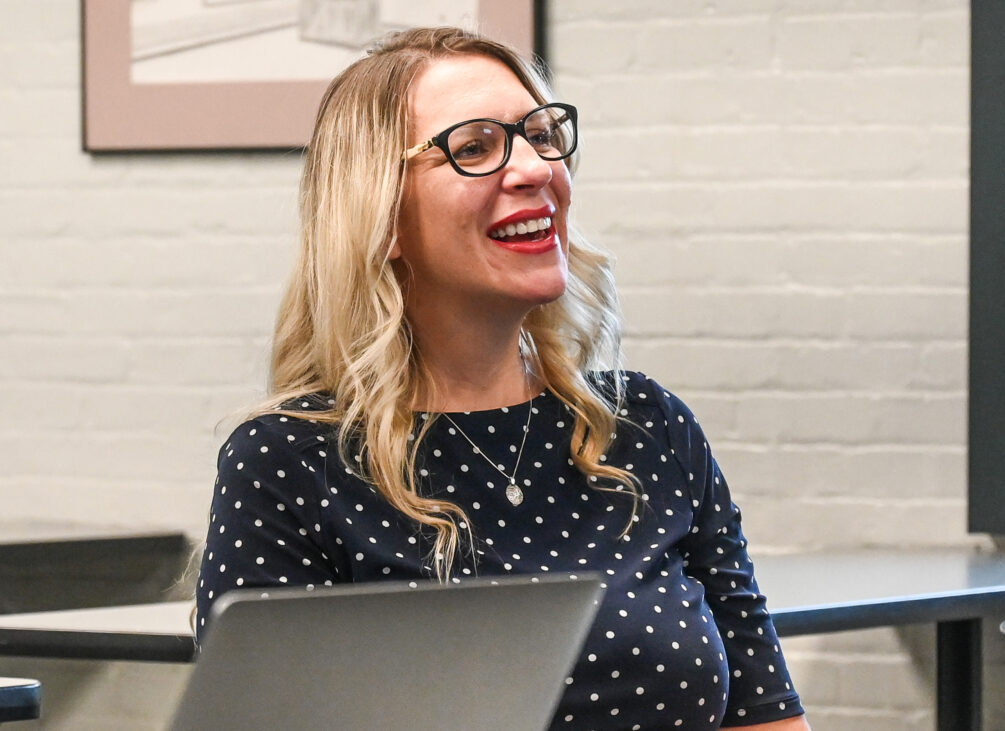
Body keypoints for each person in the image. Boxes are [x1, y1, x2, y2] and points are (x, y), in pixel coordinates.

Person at [195, 26, 811, 730]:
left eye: (543, 135)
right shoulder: (292, 461)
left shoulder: (648, 426)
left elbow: (766, 714)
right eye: (475, 146)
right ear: (382, 215)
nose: (534, 167)